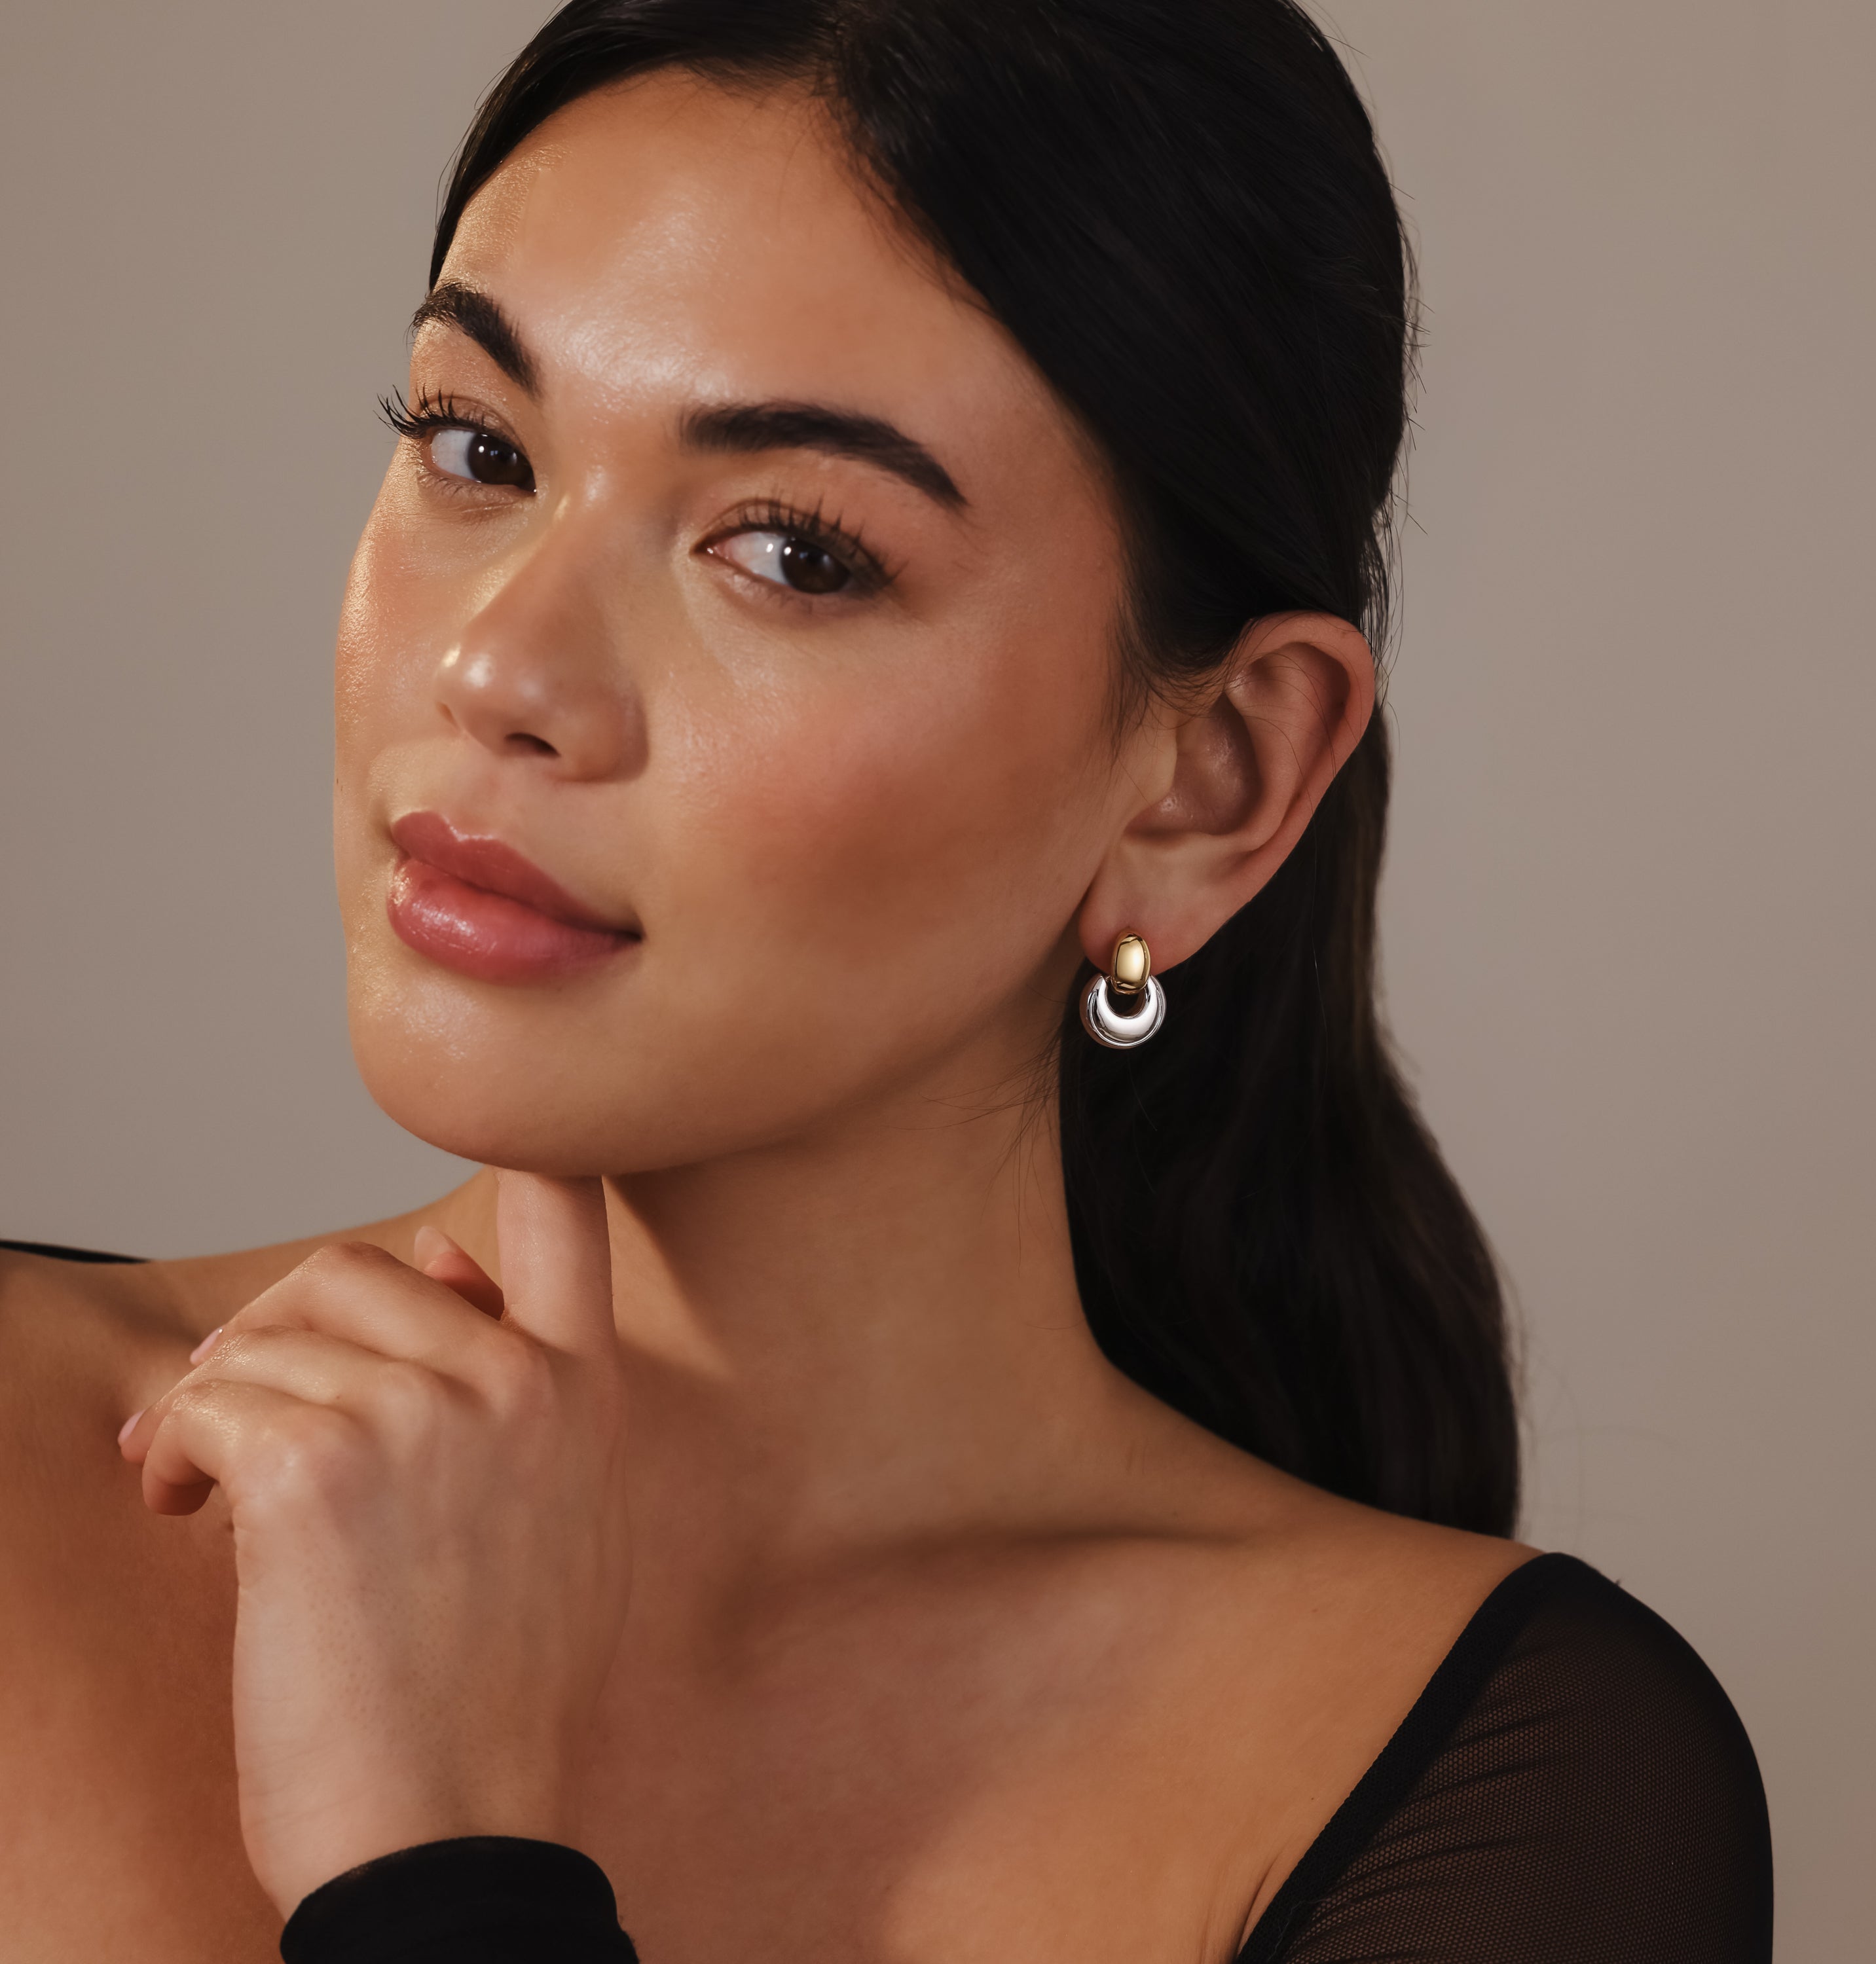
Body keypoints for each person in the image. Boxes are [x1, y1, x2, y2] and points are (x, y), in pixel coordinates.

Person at [0, 2, 1773, 1957]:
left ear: (1212, 778)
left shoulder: (1489, 1782)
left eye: (790, 553)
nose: (499, 672)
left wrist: (436, 1865)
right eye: (474, 445)